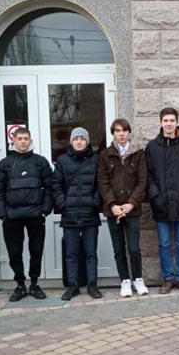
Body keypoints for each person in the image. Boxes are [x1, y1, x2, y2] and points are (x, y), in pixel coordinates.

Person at [0, 127, 53, 302]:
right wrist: (3, 214)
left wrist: (45, 211)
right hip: (12, 217)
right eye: (20, 139)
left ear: (30, 141)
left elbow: (50, 188)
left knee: (36, 251)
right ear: (14, 141)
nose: (23, 142)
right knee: (14, 253)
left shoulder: (40, 162)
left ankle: (34, 284)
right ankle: (20, 285)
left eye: (26, 138)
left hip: (36, 216)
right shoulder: (5, 163)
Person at [145, 107, 179, 294]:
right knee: (164, 244)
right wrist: (155, 196)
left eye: (172, 120)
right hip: (161, 205)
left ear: (177, 122)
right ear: (160, 122)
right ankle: (167, 279)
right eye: (165, 120)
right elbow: (147, 175)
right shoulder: (152, 147)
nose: (169, 124)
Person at [98, 118, 149, 298]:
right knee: (119, 249)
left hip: (132, 209)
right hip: (113, 211)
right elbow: (102, 182)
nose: (121, 134)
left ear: (129, 132)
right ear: (113, 133)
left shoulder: (138, 153)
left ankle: (138, 279)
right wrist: (112, 205)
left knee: (134, 248)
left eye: (124, 131)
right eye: (118, 131)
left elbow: (142, 181)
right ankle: (125, 281)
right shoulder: (105, 155)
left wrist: (131, 203)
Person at [53, 127, 103, 301]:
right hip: (70, 214)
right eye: (76, 139)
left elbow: (101, 184)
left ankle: (92, 284)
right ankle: (72, 286)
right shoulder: (62, 161)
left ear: (87, 141)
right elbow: (56, 185)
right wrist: (63, 203)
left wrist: (95, 202)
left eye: (82, 138)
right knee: (71, 254)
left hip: (90, 214)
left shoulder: (96, 160)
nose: (79, 141)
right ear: (71, 141)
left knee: (91, 253)